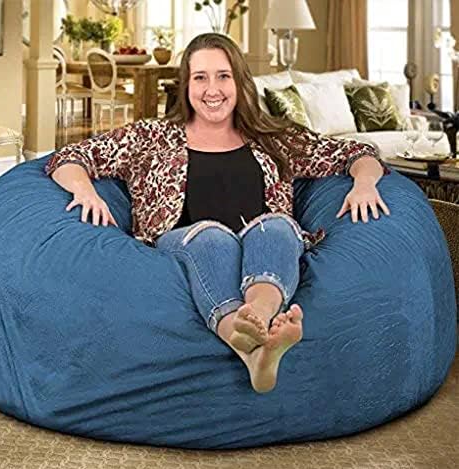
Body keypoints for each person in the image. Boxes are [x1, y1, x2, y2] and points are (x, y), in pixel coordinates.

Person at [45, 33, 390, 394]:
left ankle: (256, 329)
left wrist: (364, 184)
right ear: (186, 85)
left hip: (263, 243)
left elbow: (354, 152)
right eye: (200, 78)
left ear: (239, 81)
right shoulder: (151, 137)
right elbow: (70, 156)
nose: (212, 89)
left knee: (278, 228)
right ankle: (247, 334)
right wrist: (84, 190)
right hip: (188, 243)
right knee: (212, 236)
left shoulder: (273, 137)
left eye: (223, 76)